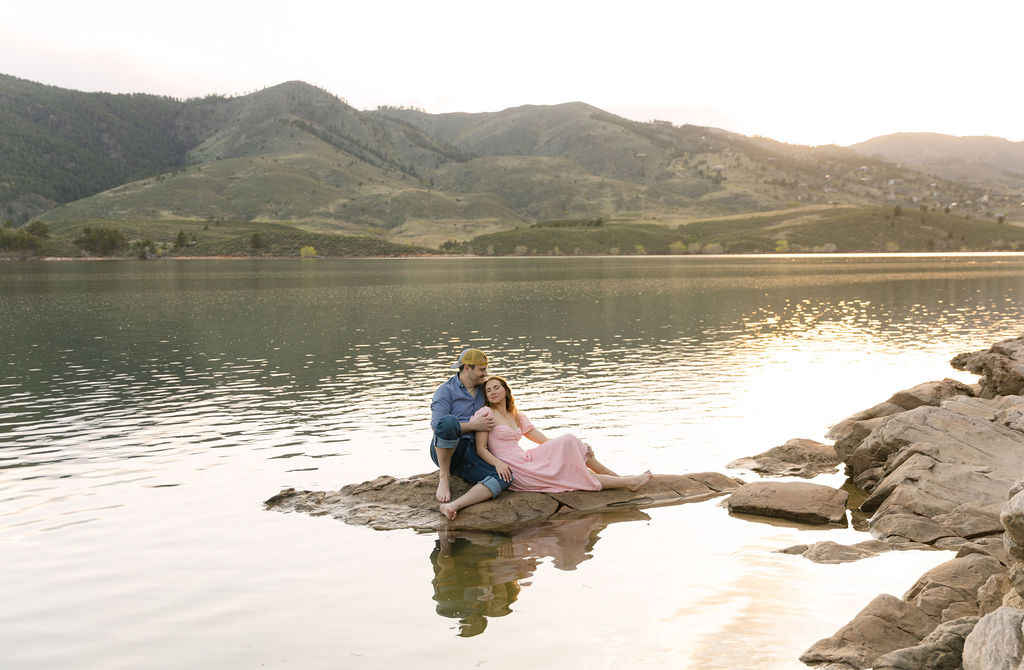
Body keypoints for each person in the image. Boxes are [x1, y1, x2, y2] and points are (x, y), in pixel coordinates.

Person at [439, 375, 651, 519]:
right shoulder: (485, 413)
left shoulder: (517, 415)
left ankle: (623, 480)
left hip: (527, 458)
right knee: (573, 470)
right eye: (488, 390)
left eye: (497, 388)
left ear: (505, 390)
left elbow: (540, 439)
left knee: (569, 441)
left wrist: (574, 448)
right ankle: (625, 481)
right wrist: (499, 464)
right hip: (514, 466)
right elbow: (481, 449)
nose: (493, 392)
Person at [430, 348, 511, 519]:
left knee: (505, 476)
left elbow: (504, 408)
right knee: (449, 422)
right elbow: (438, 427)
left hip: (473, 453)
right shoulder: (446, 391)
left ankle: (453, 506)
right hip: (449, 450)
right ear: (467, 368)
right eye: (481, 370)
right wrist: (474, 425)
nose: (485, 374)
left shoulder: (484, 389)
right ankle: (444, 477)